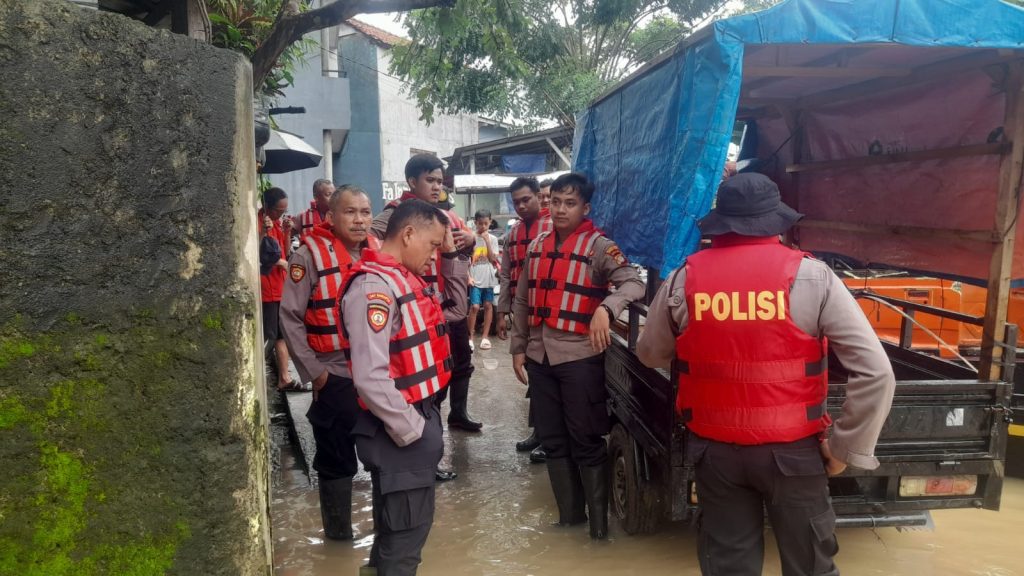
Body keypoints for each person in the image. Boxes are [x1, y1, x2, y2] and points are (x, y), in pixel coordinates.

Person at [636, 173, 896, 576]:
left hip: (715, 453)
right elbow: (877, 373)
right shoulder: (813, 276)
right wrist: (845, 449)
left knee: (729, 566)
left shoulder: (684, 277)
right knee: (810, 566)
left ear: (720, 222)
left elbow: (650, 354)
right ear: (777, 222)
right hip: (794, 454)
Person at [510, 172, 645, 540]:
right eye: (555, 202)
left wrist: (608, 307)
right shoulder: (537, 246)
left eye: (570, 203)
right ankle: (570, 520)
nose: (560, 210)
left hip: (580, 358)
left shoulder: (600, 247)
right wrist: (518, 347)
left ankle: (598, 532)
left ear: (585, 207)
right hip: (540, 358)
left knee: (585, 439)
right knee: (553, 441)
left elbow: (633, 282)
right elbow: (523, 300)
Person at [339, 199, 454, 576]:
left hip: (412, 421)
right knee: (404, 545)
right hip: (400, 433)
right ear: (407, 234)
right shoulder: (374, 288)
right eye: (434, 245)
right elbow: (371, 377)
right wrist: (413, 431)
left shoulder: (398, 278)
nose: (435, 256)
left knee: (396, 535)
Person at [279, 185, 377, 540]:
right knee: (336, 460)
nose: (359, 220)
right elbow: (289, 317)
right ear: (331, 216)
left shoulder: (378, 252)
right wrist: (314, 373)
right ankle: (339, 541)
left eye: (365, 212)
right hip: (334, 374)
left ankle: (386, 539)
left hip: (379, 374)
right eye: (350, 212)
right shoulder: (308, 257)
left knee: (383, 454)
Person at [371, 154, 482, 455]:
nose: (436, 187)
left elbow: (466, 248)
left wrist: (470, 239)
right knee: (423, 371)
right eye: (430, 180)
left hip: (447, 304)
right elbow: (372, 242)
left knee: (460, 362)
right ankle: (426, 434)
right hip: (414, 308)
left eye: (439, 181)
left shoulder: (447, 216)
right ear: (412, 182)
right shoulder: (394, 214)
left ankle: (457, 414)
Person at [496, 177, 552, 464]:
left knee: (544, 374)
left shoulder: (553, 227)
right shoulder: (514, 233)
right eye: (516, 201)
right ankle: (538, 433)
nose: (520, 205)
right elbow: (506, 274)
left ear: (537, 197)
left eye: (525, 199)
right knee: (533, 371)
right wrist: (502, 313)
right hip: (522, 314)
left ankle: (548, 437)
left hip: (546, 315)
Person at [259, 187, 299, 391]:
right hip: (268, 288)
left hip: (280, 286)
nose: (281, 214)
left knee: (281, 335)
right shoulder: (260, 222)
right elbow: (265, 253)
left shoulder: (273, 222)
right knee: (272, 335)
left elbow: (282, 250)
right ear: (267, 206)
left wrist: (286, 231)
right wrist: (263, 232)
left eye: (284, 210)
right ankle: (259, 371)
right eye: (278, 210)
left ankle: (285, 377)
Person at [467, 209, 499, 351]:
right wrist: (468, 276)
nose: (483, 227)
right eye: (480, 224)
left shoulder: (493, 239)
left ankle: (485, 337)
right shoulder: (471, 238)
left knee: (488, 305)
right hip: (475, 278)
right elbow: (466, 260)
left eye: (486, 223)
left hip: (489, 279)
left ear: (490, 222)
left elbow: (493, 259)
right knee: (474, 307)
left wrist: (487, 241)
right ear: (475, 223)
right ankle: (470, 337)